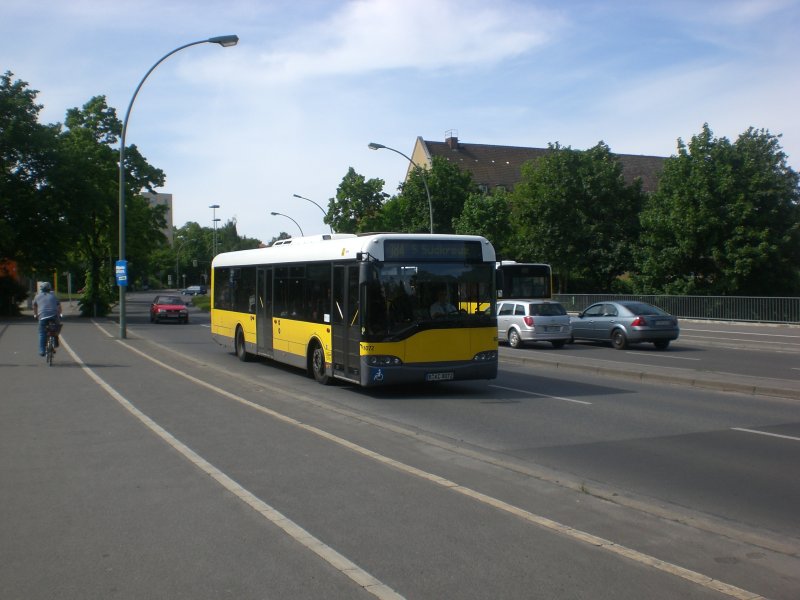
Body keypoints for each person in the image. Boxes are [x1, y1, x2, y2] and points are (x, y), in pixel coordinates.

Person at [33, 282, 61, 357]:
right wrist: (59, 314)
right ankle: (55, 342)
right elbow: (58, 307)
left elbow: (35, 306)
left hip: (42, 317)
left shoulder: (37, 296)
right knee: (56, 327)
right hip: (53, 316)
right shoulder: (53, 296)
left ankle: (42, 350)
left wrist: (35, 315)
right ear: (50, 288)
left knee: (42, 333)